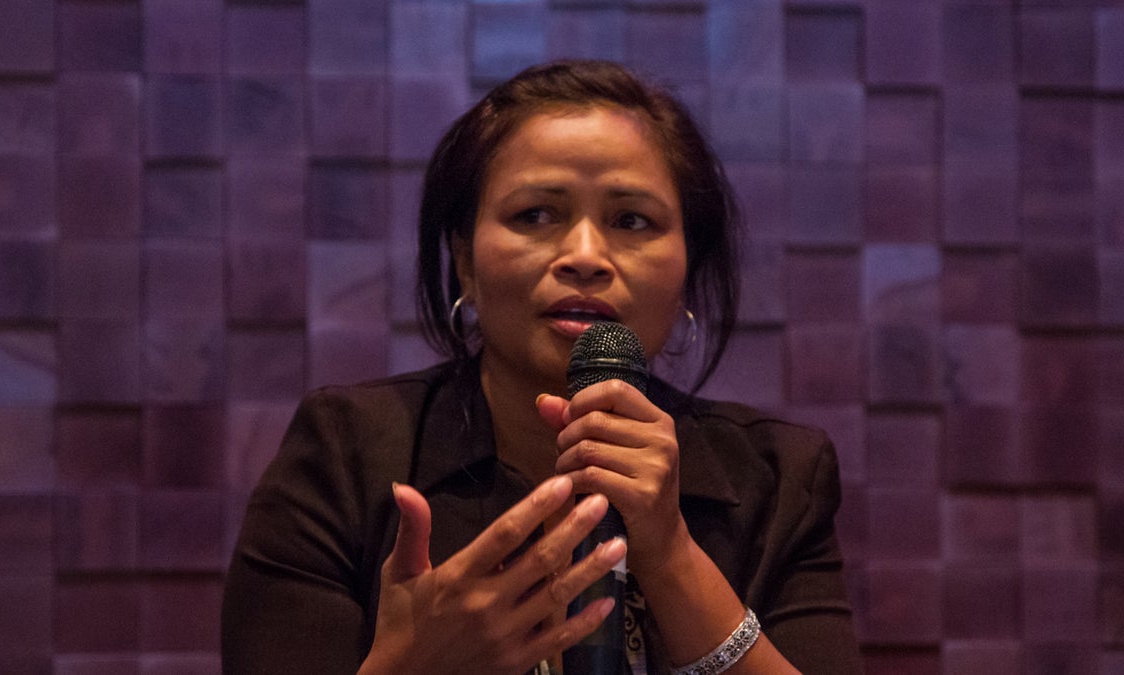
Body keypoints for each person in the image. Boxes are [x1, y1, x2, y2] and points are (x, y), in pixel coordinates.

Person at [221, 60, 861, 674]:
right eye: (535, 215)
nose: (585, 256)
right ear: (465, 260)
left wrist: (670, 555)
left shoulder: (780, 481)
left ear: (688, 271)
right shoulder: (345, 454)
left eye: (631, 220)